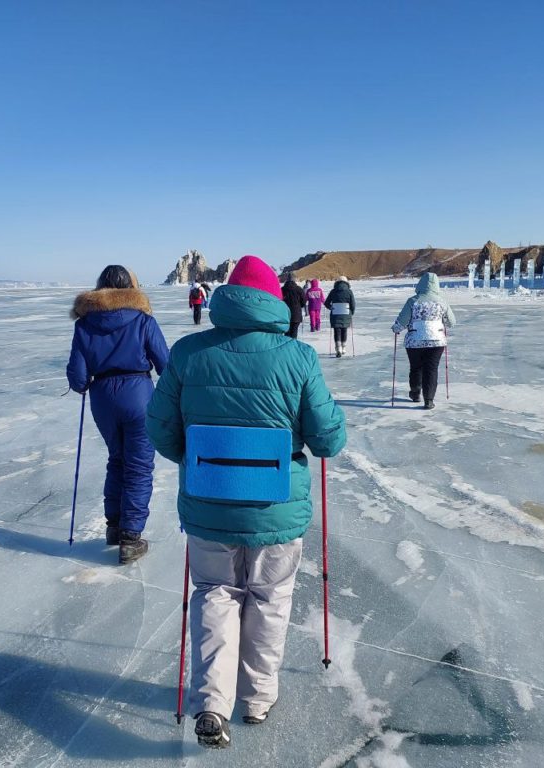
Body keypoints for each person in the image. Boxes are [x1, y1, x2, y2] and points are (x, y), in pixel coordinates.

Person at [146, 255, 346, 749]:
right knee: (270, 599)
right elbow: (327, 439)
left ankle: (213, 702)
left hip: (208, 506)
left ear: (228, 298)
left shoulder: (190, 352)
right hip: (274, 510)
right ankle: (257, 699)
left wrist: (197, 458)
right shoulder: (297, 357)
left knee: (215, 594)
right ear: (274, 303)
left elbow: (160, 429)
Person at [66, 265, 170, 564]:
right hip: (139, 395)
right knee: (138, 465)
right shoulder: (142, 319)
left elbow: (77, 378)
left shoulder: (85, 324)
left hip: (103, 399)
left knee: (117, 459)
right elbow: (165, 363)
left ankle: (114, 526)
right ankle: (130, 537)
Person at [391, 272, 456, 410]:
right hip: (436, 342)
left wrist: (396, 328)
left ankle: (415, 393)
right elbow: (451, 322)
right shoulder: (442, 302)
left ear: (420, 284)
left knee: (416, 367)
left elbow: (402, 321)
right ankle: (429, 400)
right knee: (431, 369)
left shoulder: (413, 301)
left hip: (414, 341)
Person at [324, 275, 355, 357]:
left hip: (335, 314)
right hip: (346, 314)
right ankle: (343, 347)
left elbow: (326, 303)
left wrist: (331, 307)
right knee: (344, 330)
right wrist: (351, 313)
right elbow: (353, 304)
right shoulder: (349, 291)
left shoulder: (333, 291)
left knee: (337, 331)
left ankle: (338, 349)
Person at [280, 272, 306, 339]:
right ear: (294, 279)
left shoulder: (282, 290)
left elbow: (278, 301)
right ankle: (293, 347)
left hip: (285, 315)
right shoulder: (299, 289)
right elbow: (304, 301)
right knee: (294, 333)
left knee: (287, 334)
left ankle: (287, 348)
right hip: (296, 315)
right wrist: (300, 306)